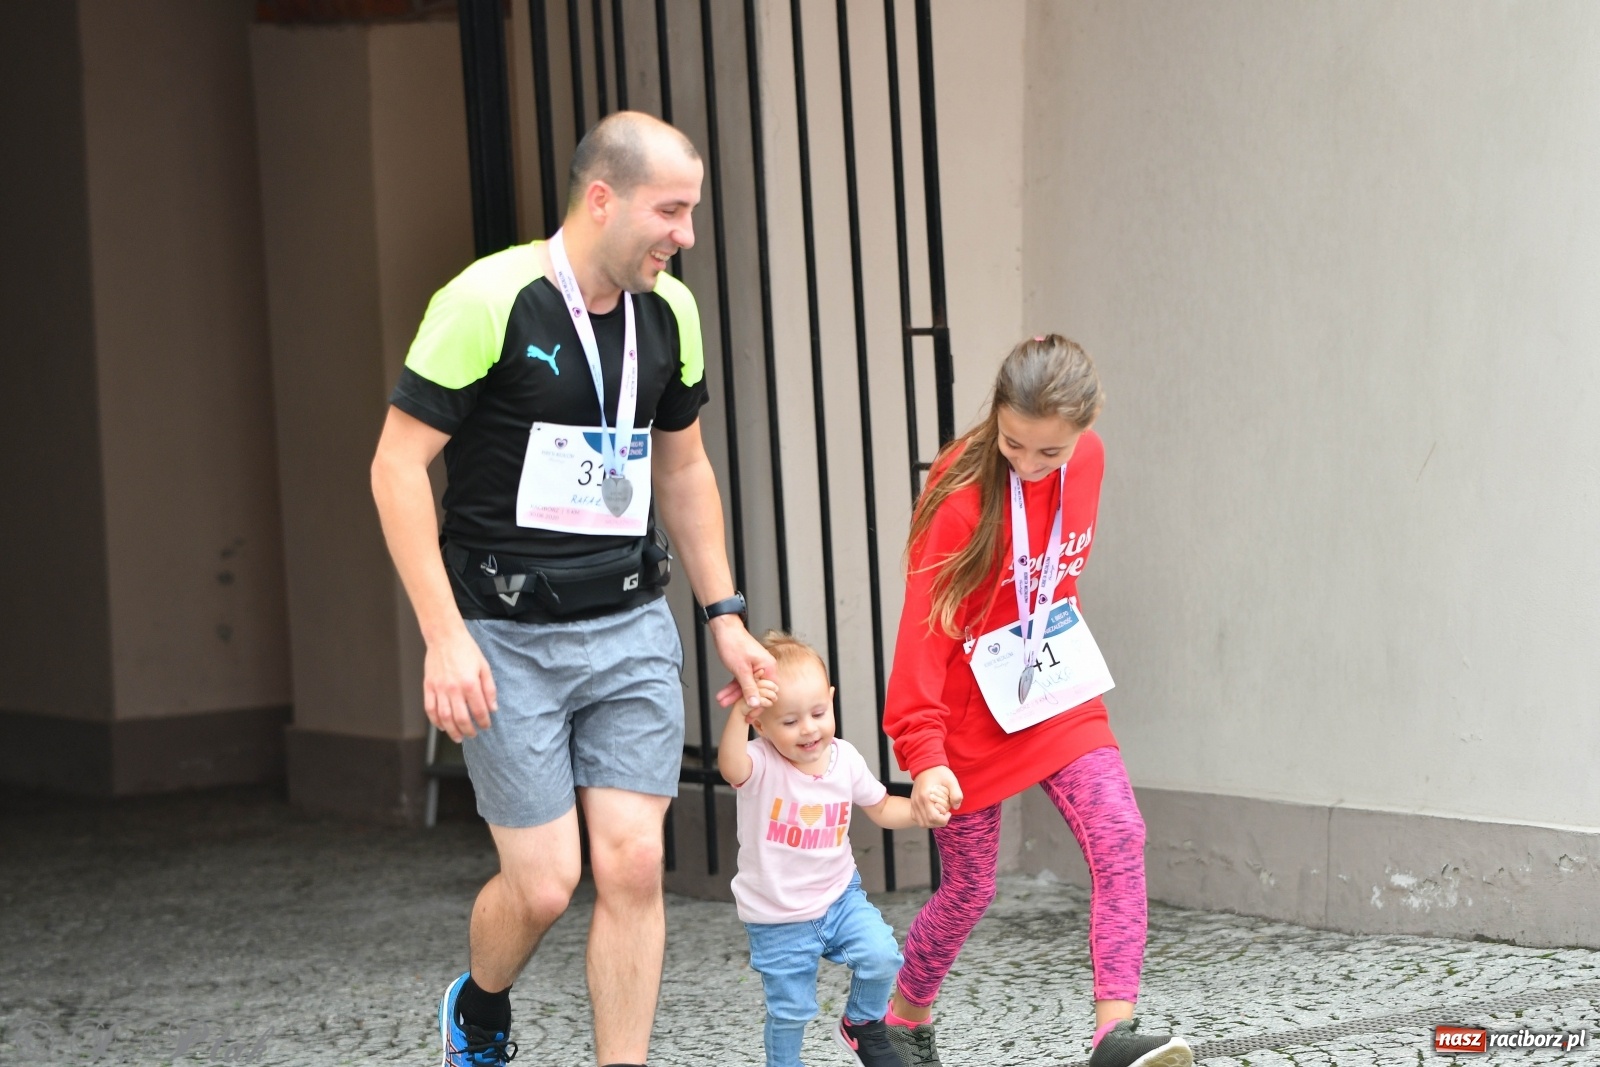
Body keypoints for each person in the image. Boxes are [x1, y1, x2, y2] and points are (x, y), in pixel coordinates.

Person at [370, 111, 774, 1067]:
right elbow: (395, 469)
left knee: (634, 863)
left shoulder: (669, 314)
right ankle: (478, 1001)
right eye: (669, 211)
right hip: (506, 635)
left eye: (690, 212)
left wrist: (725, 615)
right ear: (603, 199)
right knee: (546, 881)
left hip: (630, 620)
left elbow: (682, 470)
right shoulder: (487, 300)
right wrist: (444, 636)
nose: (683, 234)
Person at [878, 336, 1194, 1067]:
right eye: (1013, 442)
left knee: (1119, 832)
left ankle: (1116, 1036)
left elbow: (1050, 571)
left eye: (1048, 453)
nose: (1027, 463)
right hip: (966, 709)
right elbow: (923, 631)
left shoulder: (1091, 460)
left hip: (1051, 682)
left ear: (1084, 430)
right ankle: (902, 1016)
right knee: (970, 887)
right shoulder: (960, 494)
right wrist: (923, 756)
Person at [717, 633, 920, 1067]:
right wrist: (737, 714)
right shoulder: (760, 762)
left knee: (882, 953)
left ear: (831, 700)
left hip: (839, 897)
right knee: (790, 1013)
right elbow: (730, 766)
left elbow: (882, 806)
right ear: (761, 724)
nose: (808, 729)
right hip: (777, 917)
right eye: (789, 722)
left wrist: (920, 810)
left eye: (818, 713)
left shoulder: (844, 758)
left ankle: (862, 1024)